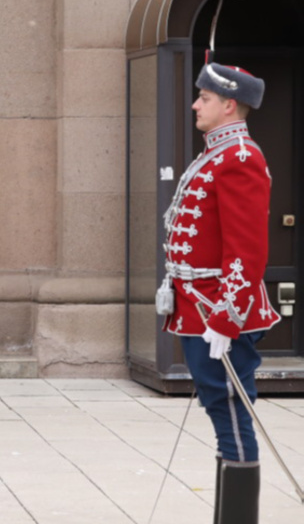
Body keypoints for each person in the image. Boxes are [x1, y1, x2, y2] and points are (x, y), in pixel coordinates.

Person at [157, 61, 278, 521]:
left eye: (203, 98)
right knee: (219, 408)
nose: (194, 104)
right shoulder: (215, 153)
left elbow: (246, 251)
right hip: (197, 307)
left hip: (219, 311)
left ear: (229, 105)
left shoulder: (241, 157)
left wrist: (226, 319)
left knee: (229, 411)